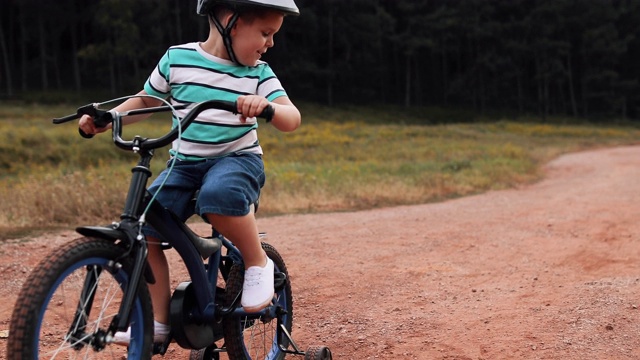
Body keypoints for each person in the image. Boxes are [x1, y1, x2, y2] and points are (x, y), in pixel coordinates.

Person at [79, 0, 301, 345]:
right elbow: (146, 101)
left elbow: (292, 118)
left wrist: (268, 107)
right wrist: (111, 117)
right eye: (266, 33)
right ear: (231, 21)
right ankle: (158, 322)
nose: (270, 43)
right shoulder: (177, 59)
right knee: (145, 223)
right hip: (183, 165)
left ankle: (257, 261)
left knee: (218, 196)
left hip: (237, 160)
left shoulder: (258, 72)